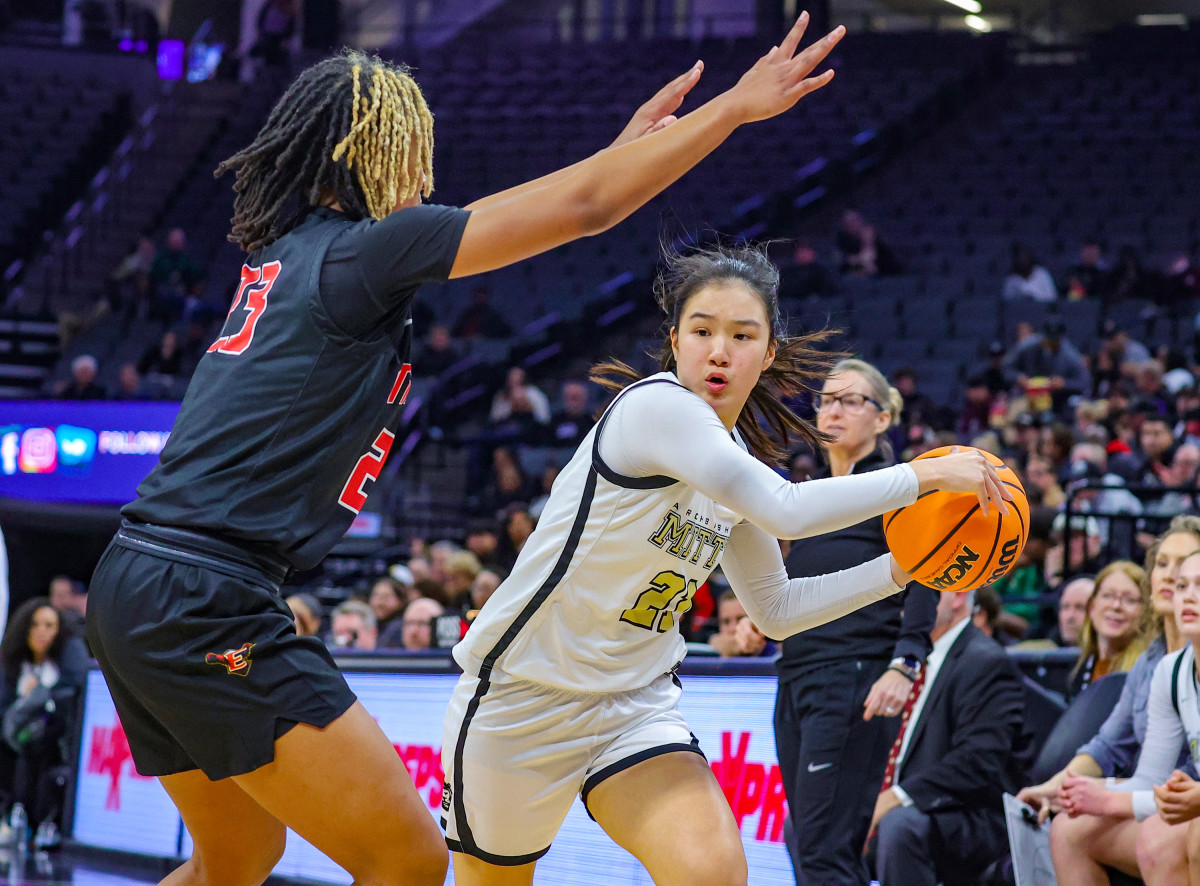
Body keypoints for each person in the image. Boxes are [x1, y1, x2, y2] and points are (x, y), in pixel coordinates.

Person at [87, 27, 855, 883]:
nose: (426, 167)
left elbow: (576, 194)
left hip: (133, 582)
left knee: (237, 856)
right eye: (412, 141)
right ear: (366, 148)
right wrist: (732, 112)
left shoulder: (296, 254)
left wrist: (618, 156)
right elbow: (584, 209)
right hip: (206, 596)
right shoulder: (367, 248)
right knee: (409, 861)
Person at [441, 240, 1008, 885]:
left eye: (742, 335)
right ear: (675, 340)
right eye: (702, 330)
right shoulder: (655, 408)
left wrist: (904, 569)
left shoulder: (737, 464)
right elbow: (788, 511)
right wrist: (924, 478)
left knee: (715, 875)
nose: (718, 350)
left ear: (767, 353)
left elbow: (779, 610)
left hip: (630, 705)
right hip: (523, 696)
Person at [772, 356, 940, 886]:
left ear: (883, 417)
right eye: (826, 399)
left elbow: (926, 572)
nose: (832, 411)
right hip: (796, 675)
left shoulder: (897, 486)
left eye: (850, 400)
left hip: (853, 673)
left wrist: (906, 660)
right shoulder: (809, 493)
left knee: (826, 853)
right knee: (804, 843)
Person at [1016, 518, 1200, 883]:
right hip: (1166, 799)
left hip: (1179, 809)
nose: (1173, 580)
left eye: (1188, 571)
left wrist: (1107, 795)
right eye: (1164, 566)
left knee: (1164, 837)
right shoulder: (1160, 665)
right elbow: (1112, 746)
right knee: (1069, 828)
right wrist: (1062, 788)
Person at [865, 590, 1032, 886]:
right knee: (810, 824)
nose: (905, 600)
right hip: (906, 804)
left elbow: (977, 761)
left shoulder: (986, 661)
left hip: (965, 813)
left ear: (957, 595)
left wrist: (893, 798)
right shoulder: (900, 660)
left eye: (914, 591)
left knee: (899, 826)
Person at [0, 598, 89, 843]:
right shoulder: (13, 666)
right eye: (35, 625)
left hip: (54, 739)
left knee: (39, 743)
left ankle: (36, 822)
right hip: (14, 737)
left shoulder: (66, 662)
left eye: (49, 625)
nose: (42, 631)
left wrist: (38, 695)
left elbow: (69, 702)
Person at [1065, 560, 1151, 700]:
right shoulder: (1079, 668)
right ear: (1092, 607)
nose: (1116, 606)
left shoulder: (1147, 670)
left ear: (1144, 613)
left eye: (1129, 600)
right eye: (1107, 596)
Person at [708, 589, 771, 657]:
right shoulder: (709, 655)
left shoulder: (777, 656)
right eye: (726, 622)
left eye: (741, 619)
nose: (732, 628)